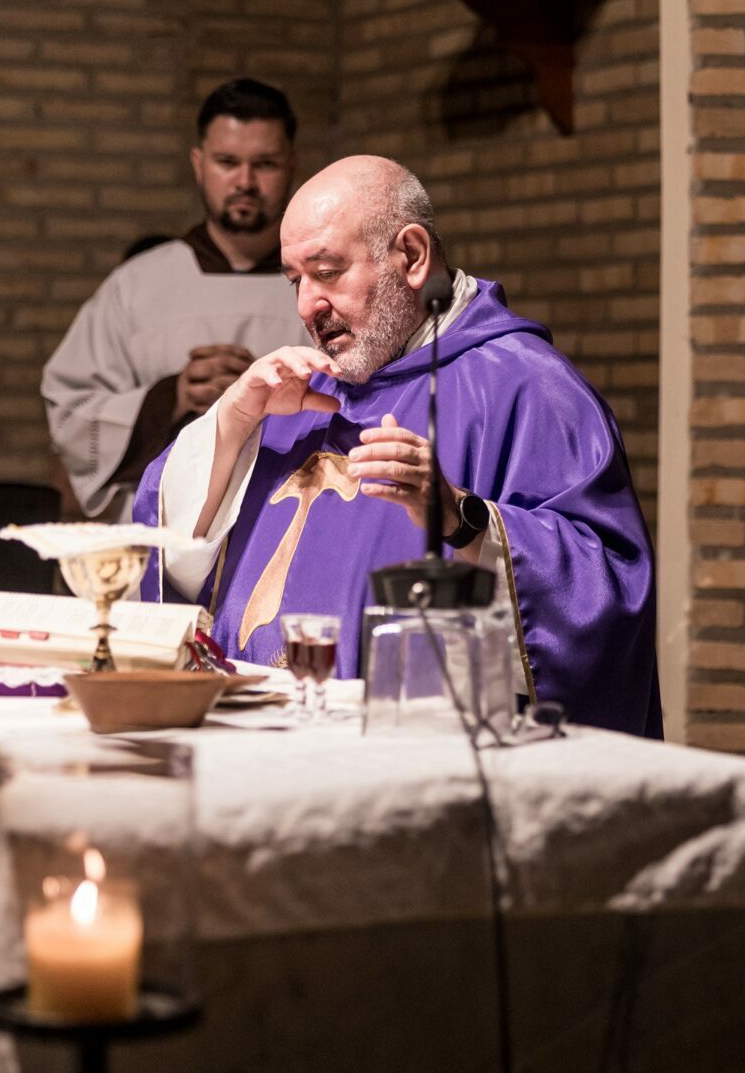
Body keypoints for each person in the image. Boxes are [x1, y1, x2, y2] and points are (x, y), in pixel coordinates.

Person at [134, 155, 661, 737]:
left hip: (421, 762)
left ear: (411, 256)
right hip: (262, 747)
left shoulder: (528, 388)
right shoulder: (297, 393)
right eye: (295, 280)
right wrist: (234, 419)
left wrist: (464, 520)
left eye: (327, 271)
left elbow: (608, 594)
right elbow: (163, 553)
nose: (307, 306)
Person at [42, 78, 307, 520]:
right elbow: (69, 411)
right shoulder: (136, 284)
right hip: (161, 523)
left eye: (264, 164)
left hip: (285, 518)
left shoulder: (323, 282)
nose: (245, 181)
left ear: (292, 165)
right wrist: (172, 397)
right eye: (227, 162)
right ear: (199, 164)